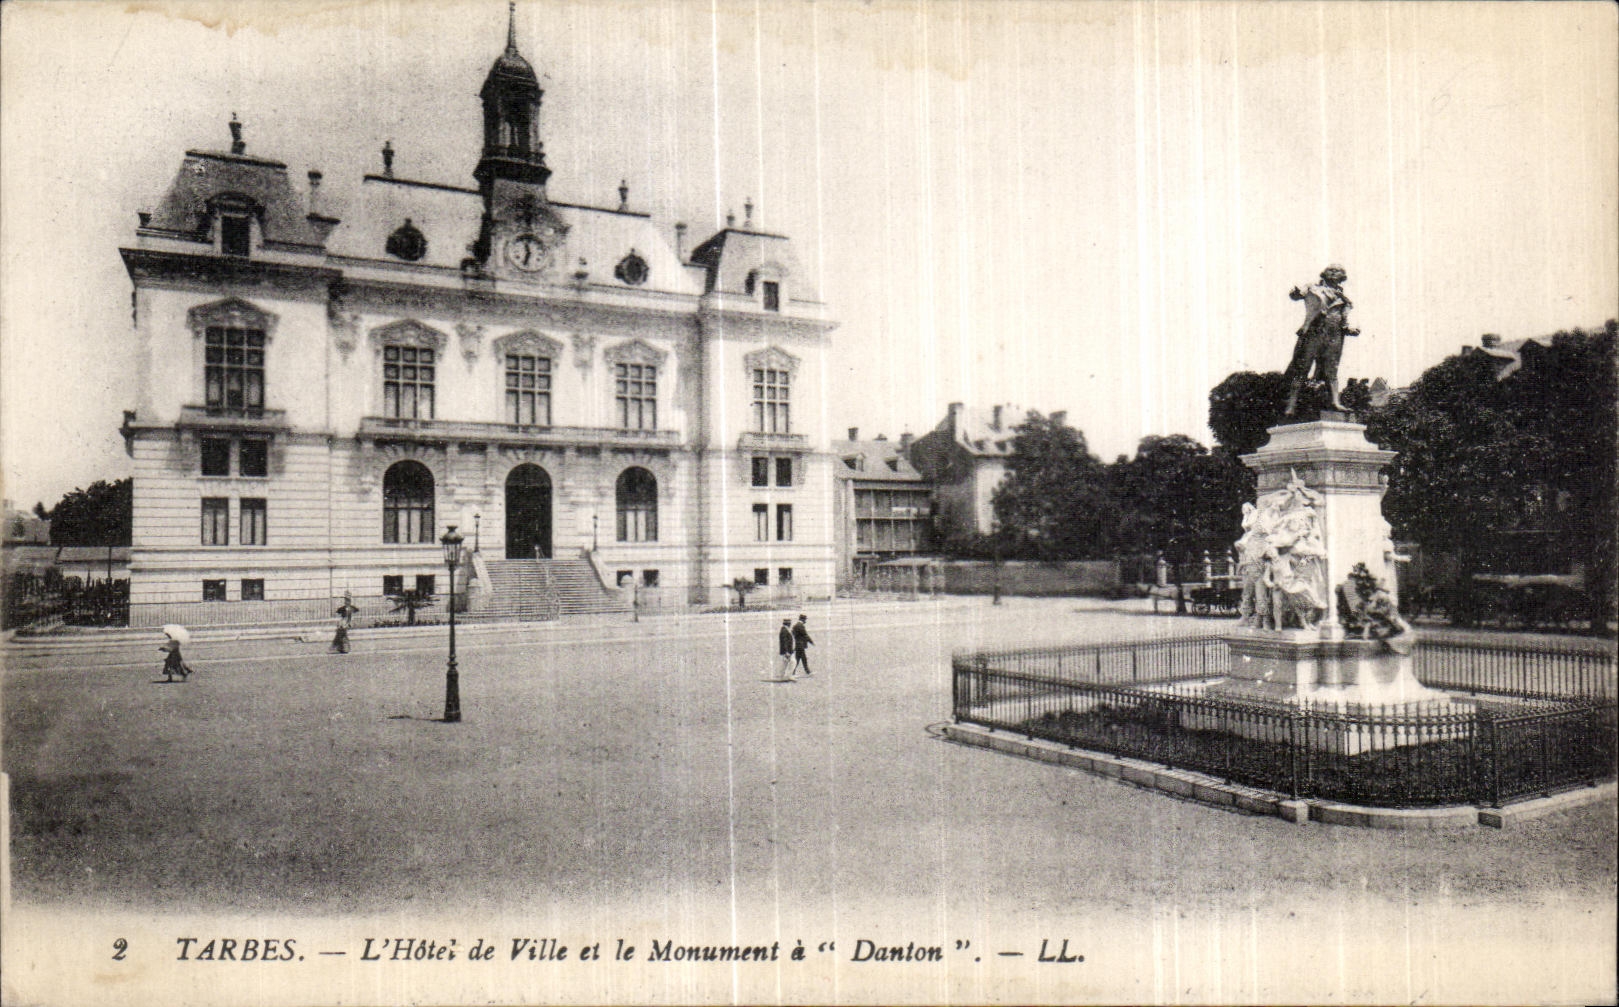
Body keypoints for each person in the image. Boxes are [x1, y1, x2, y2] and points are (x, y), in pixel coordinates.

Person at [1284, 264, 1358, 415]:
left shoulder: (1343, 298)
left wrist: (1349, 329)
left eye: (1338, 271)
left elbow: (1343, 319)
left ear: (1342, 277)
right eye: (1331, 270)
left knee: (1332, 369)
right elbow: (1296, 295)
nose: (1334, 273)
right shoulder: (1312, 287)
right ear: (1324, 274)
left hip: (1334, 334)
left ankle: (1335, 402)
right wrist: (1296, 292)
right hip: (1314, 331)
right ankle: (1291, 405)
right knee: (1302, 368)